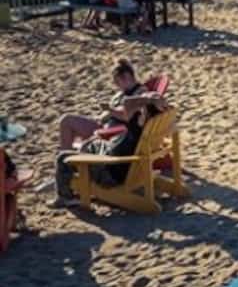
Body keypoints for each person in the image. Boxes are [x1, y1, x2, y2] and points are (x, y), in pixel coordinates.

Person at [53, 59, 168, 208]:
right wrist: (148, 99)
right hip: (123, 165)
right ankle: (67, 175)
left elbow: (127, 105)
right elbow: (129, 105)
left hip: (111, 173)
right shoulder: (143, 127)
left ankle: (66, 197)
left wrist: (141, 100)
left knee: (63, 158)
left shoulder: (132, 124)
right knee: (88, 145)